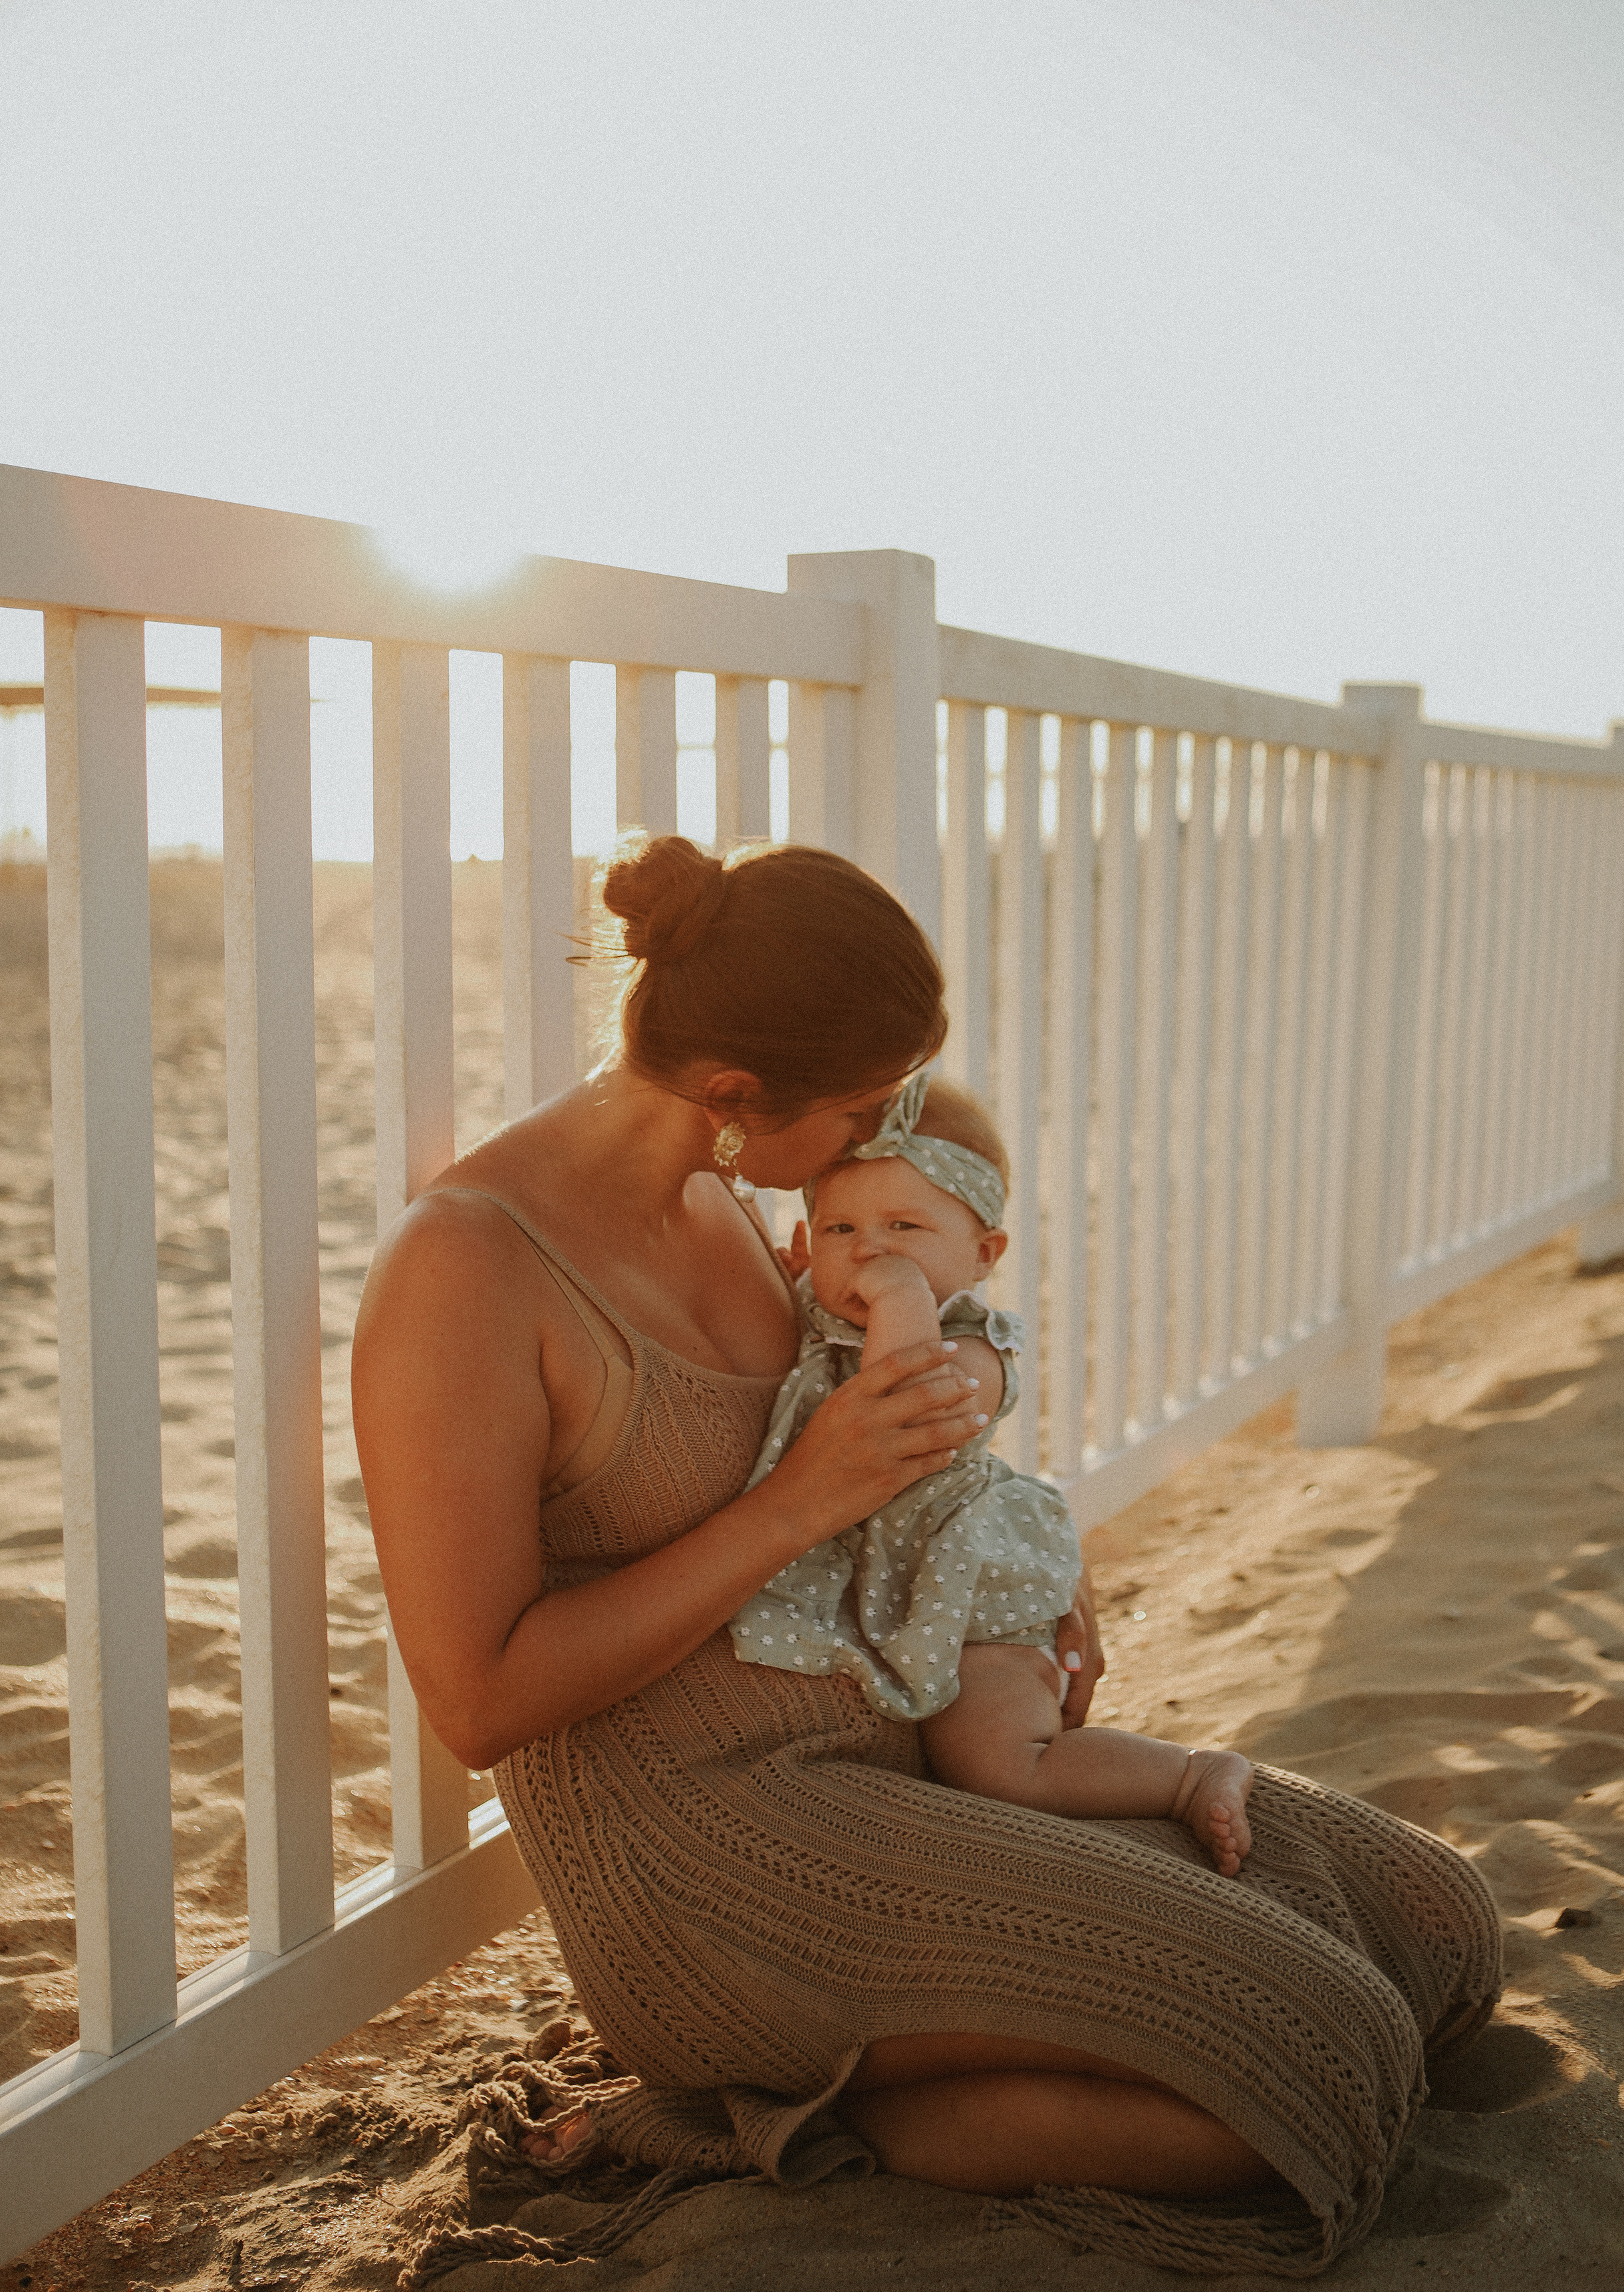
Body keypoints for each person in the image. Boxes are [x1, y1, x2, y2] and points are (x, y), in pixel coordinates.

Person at [352, 831, 1501, 2273]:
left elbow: (888, 1433)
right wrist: (793, 1504)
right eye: (864, 1104)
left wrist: (1021, 1567)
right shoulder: (468, 1267)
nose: (889, 1130)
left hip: (910, 1762)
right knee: (1319, 2057)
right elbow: (477, 1700)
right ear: (733, 1095)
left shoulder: (741, 1200)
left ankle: (958, 2041)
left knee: (1431, 1926)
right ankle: (775, 2121)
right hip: (710, 1861)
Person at [731, 1070, 1254, 1875]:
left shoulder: (973, 1346)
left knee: (999, 1763)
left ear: (983, 1254)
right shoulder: (822, 1313)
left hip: (971, 1590)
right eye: (839, 1228)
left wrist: (898, 1295)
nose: (870, 1251)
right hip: (887, 1579)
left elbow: (899, 1405)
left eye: (904, 1227)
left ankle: (1188, 1777)